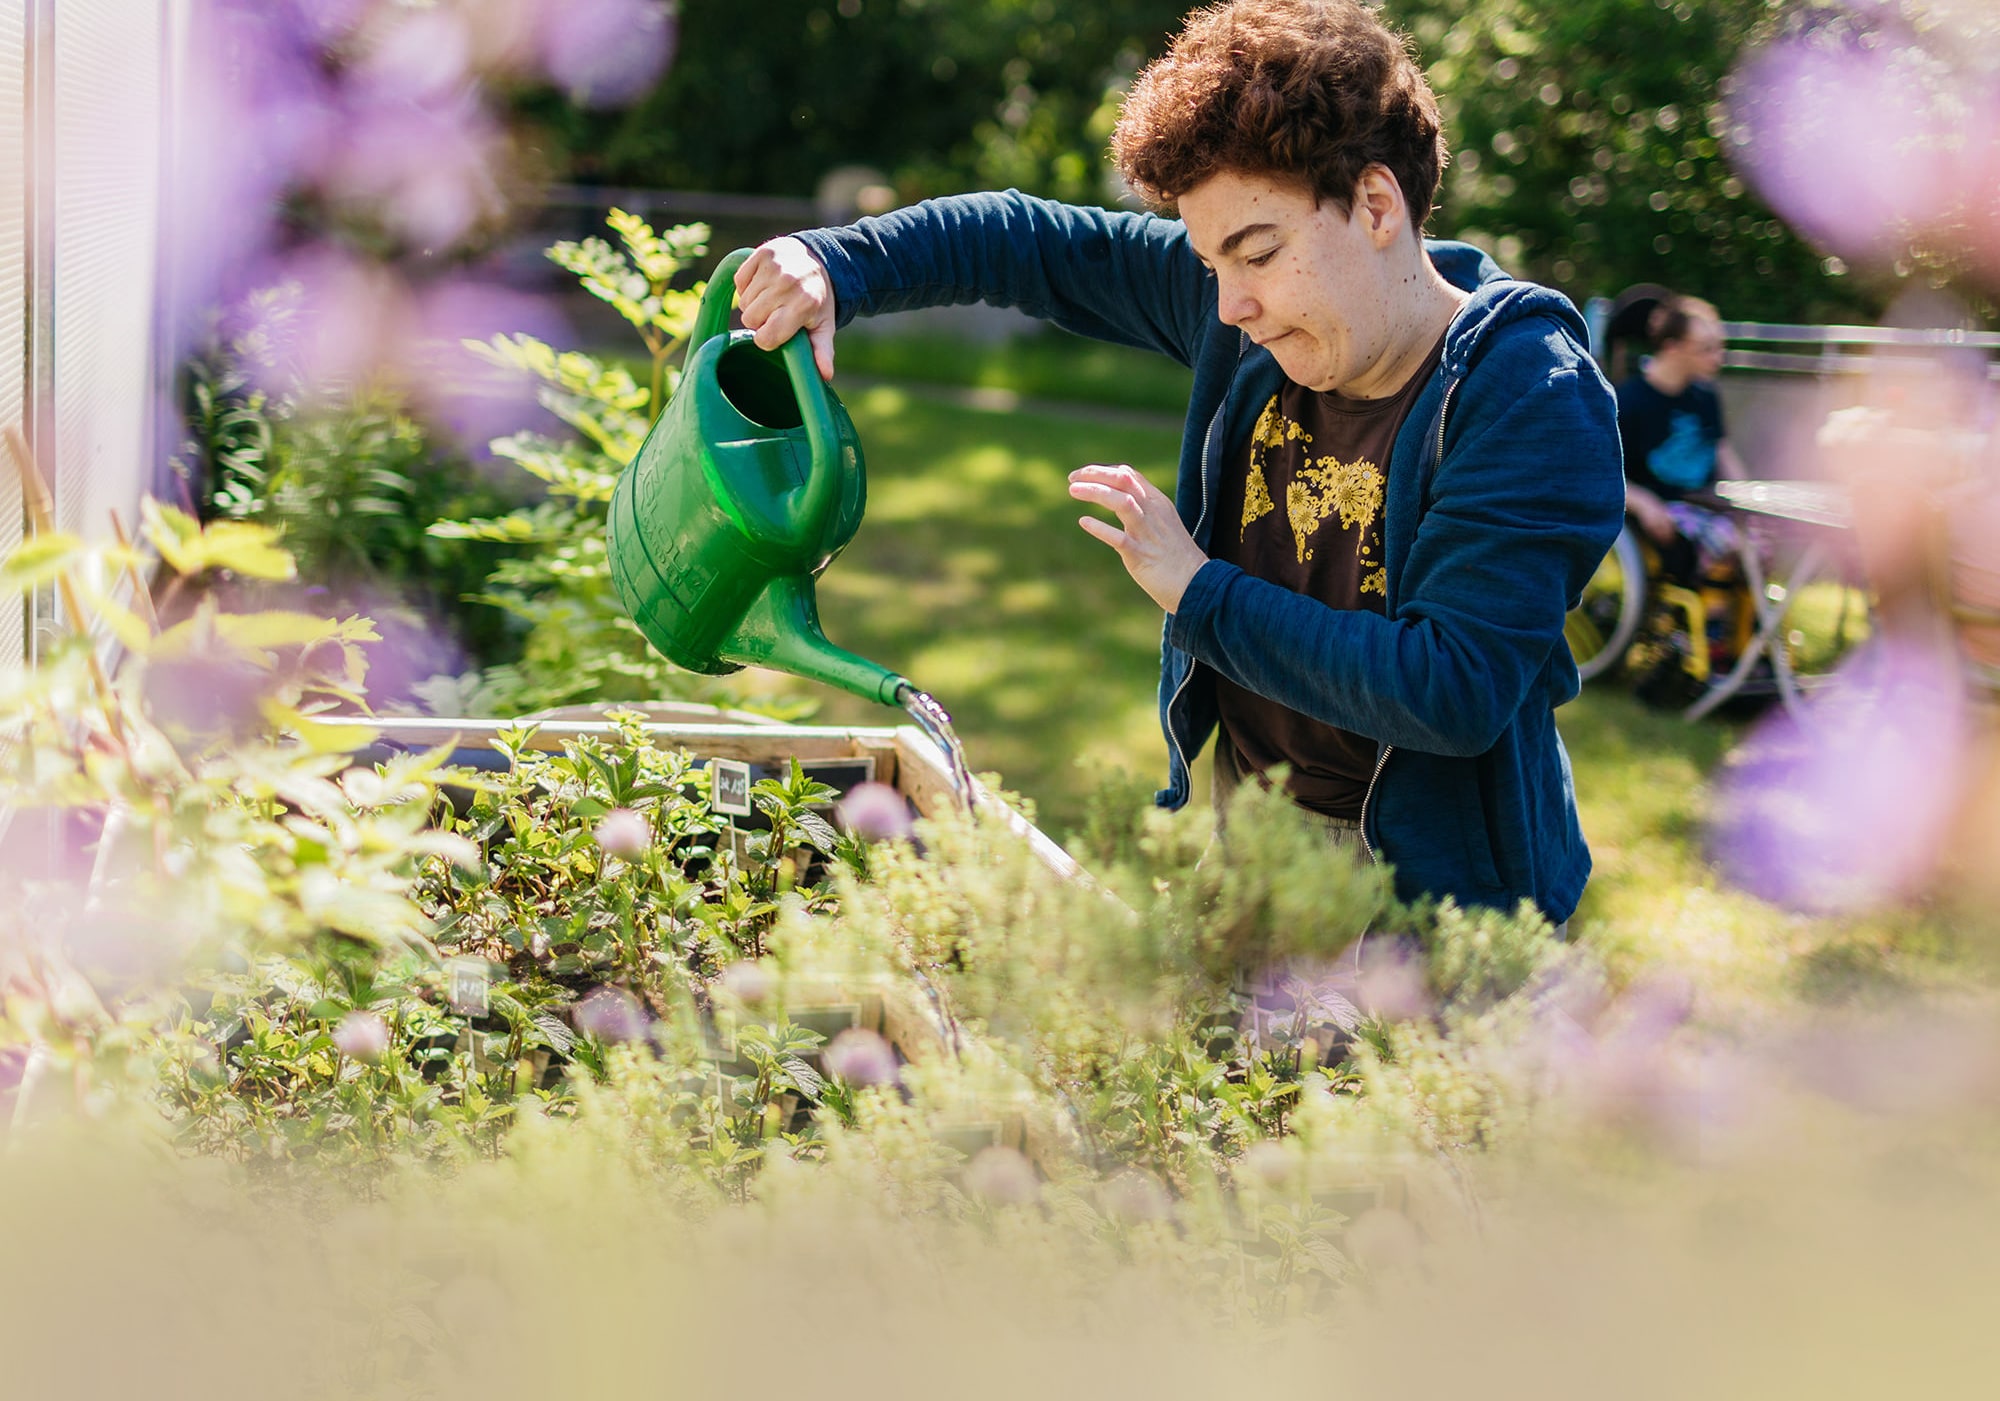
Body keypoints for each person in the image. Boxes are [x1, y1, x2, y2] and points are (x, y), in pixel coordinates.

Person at [733, 0, 1624, 926]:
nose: (1231, 305)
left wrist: (1198, 592)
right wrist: (831, 262)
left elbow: (1453, 688)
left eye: (1258, 253)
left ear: (1375, 205)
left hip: (1441, 908)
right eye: (1209, 264)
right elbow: (1020, 240)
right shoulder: (1242, 313)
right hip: (1256, 841)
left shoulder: (1527, 393)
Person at [1616, 295, 1749, 587]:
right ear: (1671, 347)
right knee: (1722, 543)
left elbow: (1721, 451)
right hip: (1659, 515)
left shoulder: (1705, 397)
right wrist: (1643, 503)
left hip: (1705, 504)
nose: (1718, 358)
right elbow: (1601, 472)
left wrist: (1746, 500)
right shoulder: (1628, 402)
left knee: (1756, 541)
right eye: (1706, 349)